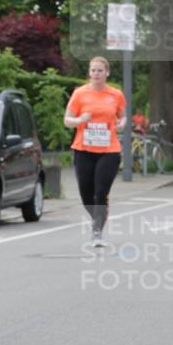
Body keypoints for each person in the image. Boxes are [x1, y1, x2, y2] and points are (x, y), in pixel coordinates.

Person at [64, 57, 126, 247]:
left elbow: (123, 118)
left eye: (100, 71)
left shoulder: (116, 94)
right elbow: (67, 120)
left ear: (107, 73)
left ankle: (97, 231)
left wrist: (120, 125)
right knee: (85, 194)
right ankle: (98, 218)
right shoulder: (79, 94)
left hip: (109, 150)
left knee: (100, 192)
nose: (96, 74)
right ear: (89, 73)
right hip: (83, 149)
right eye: (93, 71)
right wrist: (80, 119)